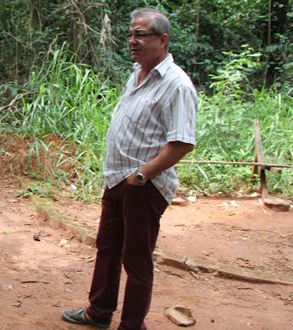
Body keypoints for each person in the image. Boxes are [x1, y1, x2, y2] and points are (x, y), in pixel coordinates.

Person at [61, 8, 197, 330]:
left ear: (163, 40)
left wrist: (142, 175)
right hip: (117, 179)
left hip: (143, 184)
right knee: (107, 248)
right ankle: (99, 313)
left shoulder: (177, 85)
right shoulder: (136, 74)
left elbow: (182, 142)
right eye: (131, 35)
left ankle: (132, 325)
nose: (133, 42)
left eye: (141, 35)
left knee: (136, 260)